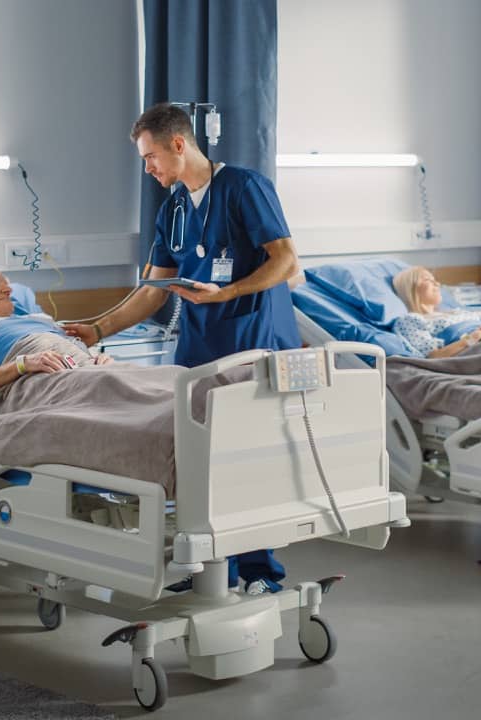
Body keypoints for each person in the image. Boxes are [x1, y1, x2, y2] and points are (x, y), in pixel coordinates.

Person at [62, 102, 299, 594]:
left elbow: (286, 262)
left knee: (248, 460)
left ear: (177, 143)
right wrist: (97, 329)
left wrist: (227, 292)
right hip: (199, 348)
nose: (147, 168)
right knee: (202, 463)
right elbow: (152, 292)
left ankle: (260, 573)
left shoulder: (245, 188)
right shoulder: (172, 211)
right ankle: (215, 571)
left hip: (252, 339)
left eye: (150, 157)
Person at [0, 261, 111, 400]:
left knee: (124, 382)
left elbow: (74, 353)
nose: (8, 289)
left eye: (6, 283)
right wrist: (22, 364)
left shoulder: (38, 319)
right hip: (42, 375)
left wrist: (97, 358)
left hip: (85, 369)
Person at [390, 266, 481, 358]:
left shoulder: (455, 312)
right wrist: (473, 338)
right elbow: (433, 356)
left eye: (435, 280)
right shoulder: (411, 320)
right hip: (477, 353)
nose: (437, 284)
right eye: (428, 280)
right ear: (411, 289)